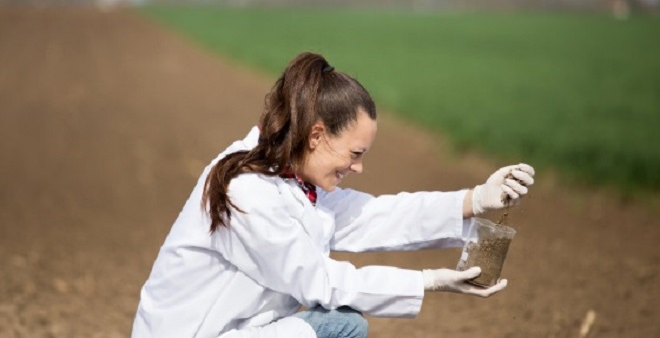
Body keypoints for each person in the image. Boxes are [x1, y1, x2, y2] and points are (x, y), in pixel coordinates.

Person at [131, 52, 535, 338]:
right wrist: (428, 281)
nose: (358, 167)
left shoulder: (289, 176)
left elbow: (376, 216)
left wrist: (476, 199)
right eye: (355, 154)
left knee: (339, 323)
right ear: (317, 135)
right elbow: (319, 281)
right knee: (341, 325)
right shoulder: (248, 190)